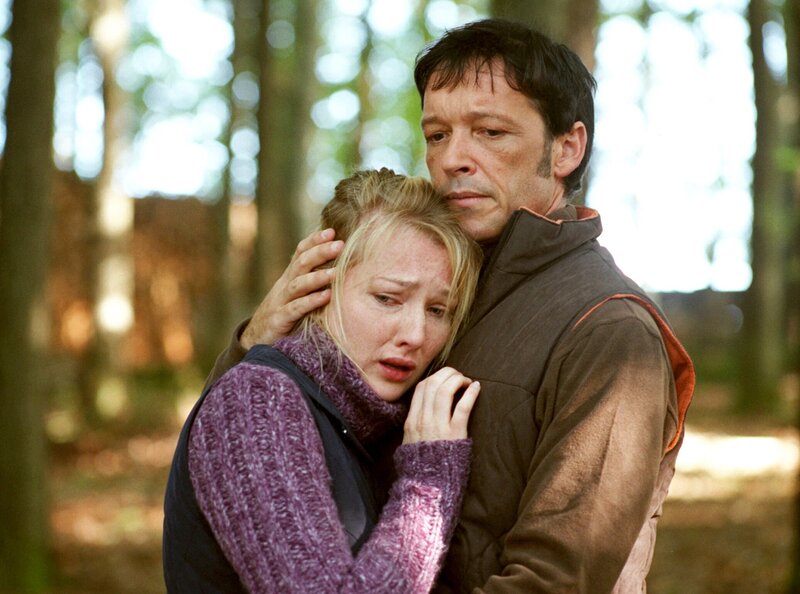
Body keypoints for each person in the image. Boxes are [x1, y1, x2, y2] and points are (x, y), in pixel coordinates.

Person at [204, 19, 696, 594]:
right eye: (437, 135)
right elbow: (258, 459)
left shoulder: (610, 329)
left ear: (566, 148)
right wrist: (256, 347)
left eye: (490, 132)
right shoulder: (429, 287)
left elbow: (556, 582)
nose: (453, 158)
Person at [163, 169, 484, 593]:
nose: (416, 334)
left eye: (438, 310)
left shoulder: (353, 418)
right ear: (320, 285)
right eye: (387, 298)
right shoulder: (259, 402)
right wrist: (429, 482)